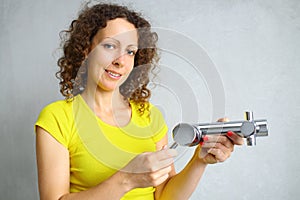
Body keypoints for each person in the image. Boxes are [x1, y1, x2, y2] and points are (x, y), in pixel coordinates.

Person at [35, 3, 244, 200]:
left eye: (130, 51)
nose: (120, 61)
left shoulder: (149, 116)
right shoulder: (57, 118)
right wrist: (126, 179)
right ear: (86, 50)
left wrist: (200, 160)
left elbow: (164, 195)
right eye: (109, 46)